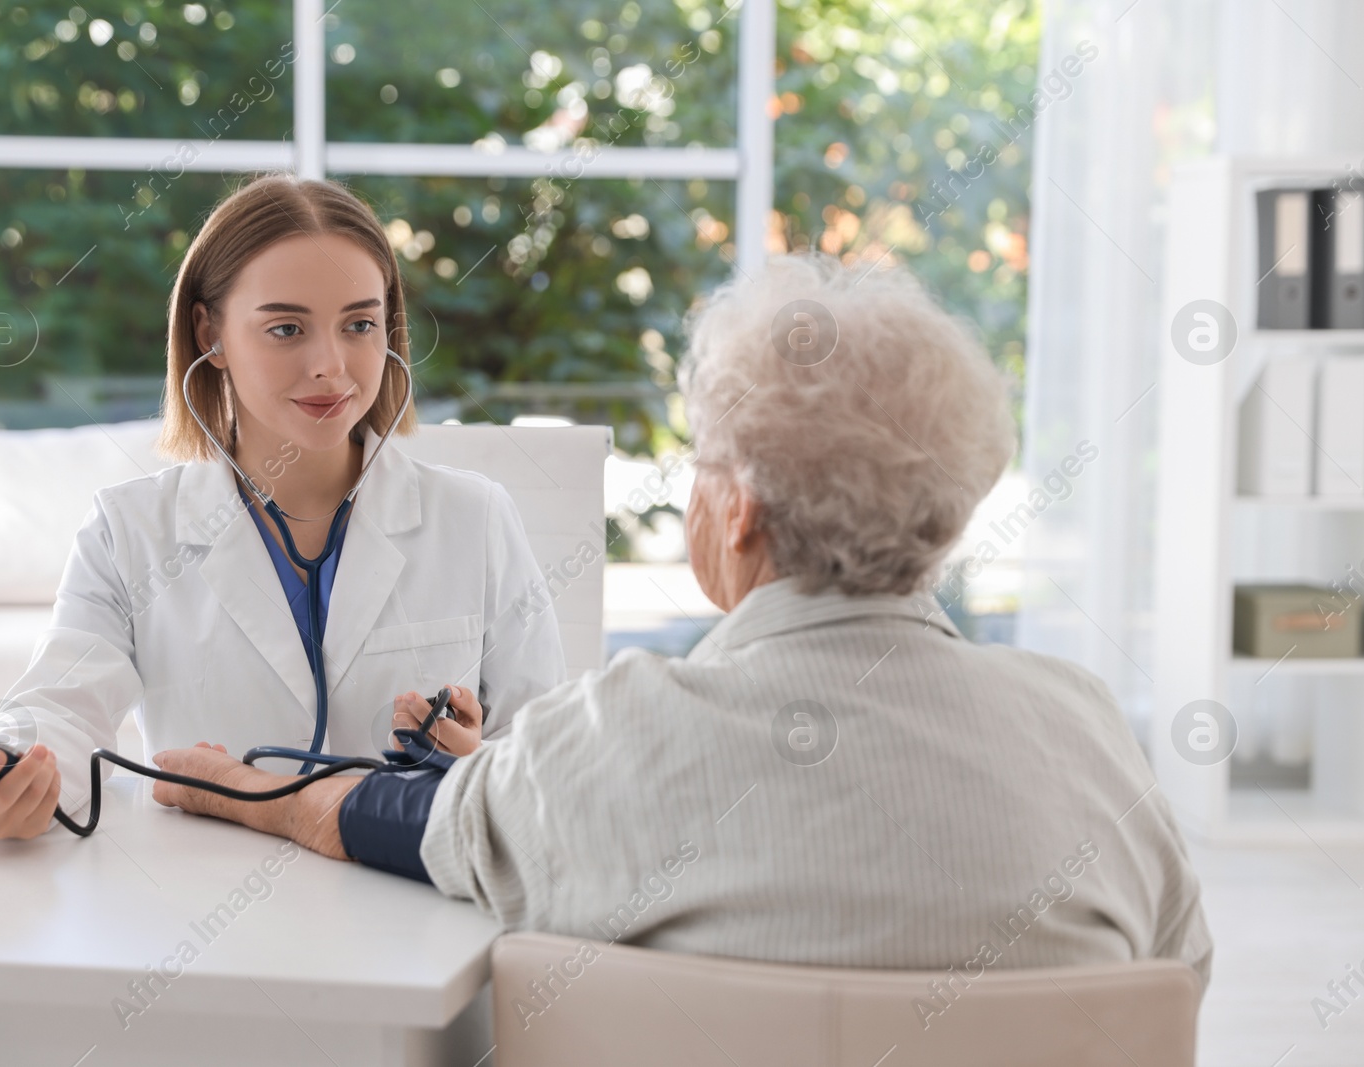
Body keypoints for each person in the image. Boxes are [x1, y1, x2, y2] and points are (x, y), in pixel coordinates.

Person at [126, 254, 1213, 984]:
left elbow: (391, 824)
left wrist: (263, 791)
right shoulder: (1087, 728)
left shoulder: (620, 736)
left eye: (702, 468)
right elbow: (1176, 974)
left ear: (734, 509)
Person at [0, 174, 567, 837]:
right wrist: (8, 773)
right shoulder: (129, 531)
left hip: (415, 906)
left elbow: (558, 766)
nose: (330, 365)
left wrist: (476, 763)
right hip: (204, 907)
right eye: (287, 328)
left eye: (360, 324)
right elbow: (58, 708)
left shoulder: (475, 519)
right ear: (211, 333)